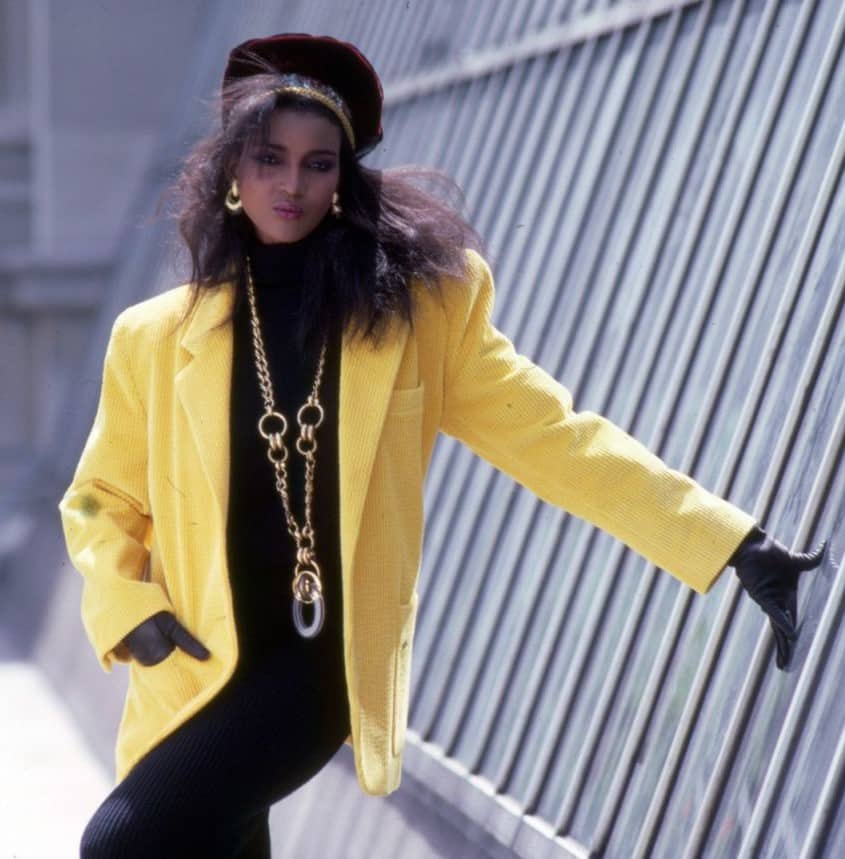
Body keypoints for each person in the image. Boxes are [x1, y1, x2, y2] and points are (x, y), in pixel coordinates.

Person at [59, 32, 825, 859]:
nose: (291, 183)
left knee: (121, 844)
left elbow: (554, 438)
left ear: (344, 179)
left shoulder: (415, 314)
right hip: (191, 666)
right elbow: (102, 499)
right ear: (232, 172)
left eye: (318, 164)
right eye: (269, 158)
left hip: (314, 668)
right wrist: (127, 608)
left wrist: (729, 541)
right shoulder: (154, 336)